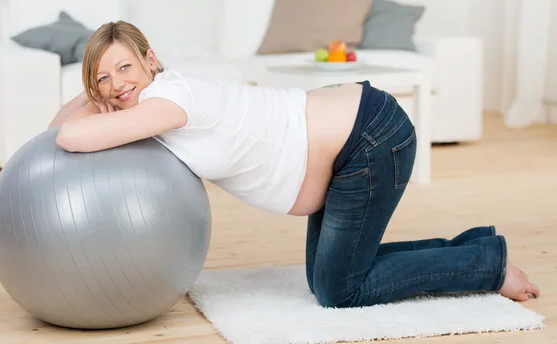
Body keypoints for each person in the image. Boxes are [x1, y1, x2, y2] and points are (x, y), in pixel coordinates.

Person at [49, 20, 540, 308]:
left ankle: (487, 265)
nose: (116, 84)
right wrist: (99, 92)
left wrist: (101, 98)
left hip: (366, 142)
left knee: (339, 290)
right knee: (334, 273)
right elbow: (56, 128)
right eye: (102, 77)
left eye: (125, 68)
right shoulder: (155, 100)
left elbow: (69, 137)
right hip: (343, 148)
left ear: (151, 60)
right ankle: (476, 245)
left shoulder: (169, 101)